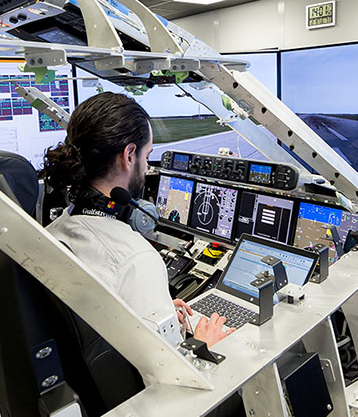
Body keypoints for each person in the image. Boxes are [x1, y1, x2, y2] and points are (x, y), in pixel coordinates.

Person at [40, 92, 229, 347]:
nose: (147, 166)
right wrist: (204, 343)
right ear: (129, 155)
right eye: (147, 156)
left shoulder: (55, 229)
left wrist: (155, 311)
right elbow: (172, 367)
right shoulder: (137, 259)